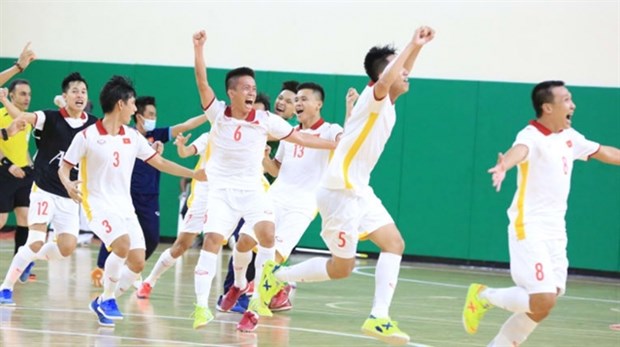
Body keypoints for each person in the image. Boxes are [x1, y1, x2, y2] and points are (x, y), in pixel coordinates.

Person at [259, 26, 435, 345]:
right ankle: (280, 277)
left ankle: (375, 315)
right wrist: (412, 42)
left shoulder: (386, 100)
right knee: (344, 266)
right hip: (339, 190)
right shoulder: (375, 97)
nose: (407, 73)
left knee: (392, 245)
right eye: (401, 67)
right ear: (384, 73)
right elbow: (386, 80)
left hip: (357, 189)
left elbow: (395, 76)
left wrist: (417, 48)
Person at [190, 29, 336, 331]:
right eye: (245, 87)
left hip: (280, 198)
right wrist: (199, 48)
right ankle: (230, 290)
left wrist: (335, 145)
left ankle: (255, 305)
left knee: (268, 242)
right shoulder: (218, 114)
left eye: (254, 88)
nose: (251, 92)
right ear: (231, 91)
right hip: (231, 191)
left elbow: (302, 138)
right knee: (232, 242)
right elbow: (203, 83)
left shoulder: (270, 121)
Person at [462, 80, 620, 346]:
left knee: (546, 303)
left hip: (556, 231)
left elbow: (603, 151)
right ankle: (483, 296)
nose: (573, 105)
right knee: (542, 298)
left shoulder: (570, 137)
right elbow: (519, 151)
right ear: (548, 107)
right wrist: (504, 166)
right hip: (530, 226)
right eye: (567, 100)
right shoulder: (531, 136)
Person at [58, 75, 206, 327]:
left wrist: (193, 174)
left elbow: (159, 162)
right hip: (97, 205)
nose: (135, 109)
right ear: (120, 104)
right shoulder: (87, 136)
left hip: (124, 207)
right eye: (133, 104)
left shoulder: (133, 137)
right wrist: (68, 183)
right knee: (122, 245)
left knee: (137, 262)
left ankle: (103, 301)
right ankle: (107, 299)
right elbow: (65, 166)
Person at [221, 82, 343, 319]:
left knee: (272, 259)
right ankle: (238, 285)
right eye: (295, 99)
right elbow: (276, 170)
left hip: (303, 205)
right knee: (243, 242)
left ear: (318, 104)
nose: (297, 103)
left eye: (303, 99)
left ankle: (253, 311)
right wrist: (265, 158)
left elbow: (346, 143)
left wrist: (350, 110)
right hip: (275, 197)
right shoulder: (288, 133)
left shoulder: (330, 129)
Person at [0, 71, 99, 306]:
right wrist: (9, 111)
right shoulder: (49, 118)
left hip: (69, 196)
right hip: (43, 190)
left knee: (67, 248)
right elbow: (26, 116)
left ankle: (30, 256)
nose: (80, 95)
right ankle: (5, 287)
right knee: (35, 238)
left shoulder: (93, 124)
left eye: (83, 91)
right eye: (74, 91)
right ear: (64, 96)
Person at [91, 95, 208, 287]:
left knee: (152, 238)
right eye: (151, 114)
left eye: (155, 114)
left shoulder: (157, 135)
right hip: (126, 194)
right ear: (138, 115)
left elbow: (185, 126)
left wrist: (209, 115)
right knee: (116, 236)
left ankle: (131, 269)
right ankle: (102, 270)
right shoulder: (125, 134)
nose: (154, 118)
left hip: (149, 195)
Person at [0, 43, 36, 264]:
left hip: (24, 173)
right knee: (2, 219)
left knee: (26, 217)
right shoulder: (3, 114)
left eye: (29, 94)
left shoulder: (27, 119)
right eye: (22, 94)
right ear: (9, 95)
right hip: (4, 172)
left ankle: (19, 263)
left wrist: (30, 165)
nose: (26, 98)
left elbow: (23, 146)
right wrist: (6, 164)